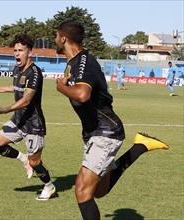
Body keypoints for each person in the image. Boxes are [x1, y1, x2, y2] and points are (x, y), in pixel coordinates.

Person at [54, 19, 169, 220]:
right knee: (98, 192)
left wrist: (61, 87)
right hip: (95, 132)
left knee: (82, 190)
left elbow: (82, 95)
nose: (55, 39)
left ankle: (140, 147)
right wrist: (67, 83)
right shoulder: (73, 63)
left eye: (56, 36)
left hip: (104, 132)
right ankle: (140, 147)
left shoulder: (83, 62)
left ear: (63, 38)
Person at [0, 34, 56, 201]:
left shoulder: (35, 73)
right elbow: (17, 87)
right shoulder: (17, 69)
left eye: (21, 50)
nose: (17, 54)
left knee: (35, 163)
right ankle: (22, 158)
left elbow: (26, 99)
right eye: (15, 50)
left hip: (33, 124)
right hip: (18, 119)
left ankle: (49, 185)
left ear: (29, 52)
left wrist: (4, 110)